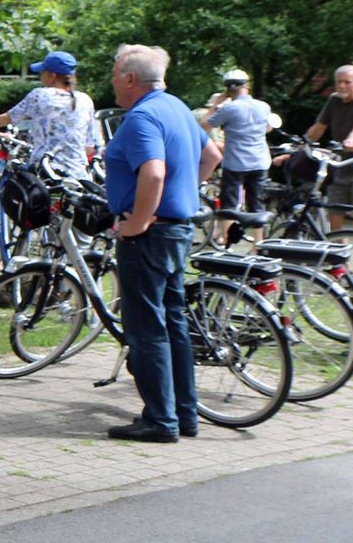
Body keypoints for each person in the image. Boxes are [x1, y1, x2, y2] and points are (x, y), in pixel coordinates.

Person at [103, 44, 222, 443]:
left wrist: (136, 222)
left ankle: (160, 420)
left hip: (149, 237)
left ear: (131, 79)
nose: (112, 82)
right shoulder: (177, 108)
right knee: (174, 325)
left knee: (147, 329)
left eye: (115, 74)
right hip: (177, 230)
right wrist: (183, 191)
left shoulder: (141, 117)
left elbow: (152, 174)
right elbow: (213, 156)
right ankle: (184, 416)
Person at [306, 64, 353, 268]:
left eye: (347, 82)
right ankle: (341, 265)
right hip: (342, 164)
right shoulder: (333, 100)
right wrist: (302, 144)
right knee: (335, 214)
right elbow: (319, 127)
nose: (341, 86)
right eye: (339, 81)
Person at [0, 50, 96, 180]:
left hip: (45, 174)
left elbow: (9, 118)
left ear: (52, 76)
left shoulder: (39, 95)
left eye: (42, 72)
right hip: (78, 176)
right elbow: (89, 147)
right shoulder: (85, 100)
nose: (40, 76)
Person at [204, 69, 273, 214]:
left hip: (235, 163)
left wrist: (215, 105)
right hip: (259, 161)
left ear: (228, 89)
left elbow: (205, 125)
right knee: (257, 206)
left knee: (229, 207)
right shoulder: (264, 106)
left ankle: (227, 237)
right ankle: (259, 237)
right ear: (247, 86)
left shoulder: (228, 108)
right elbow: (268, 129)